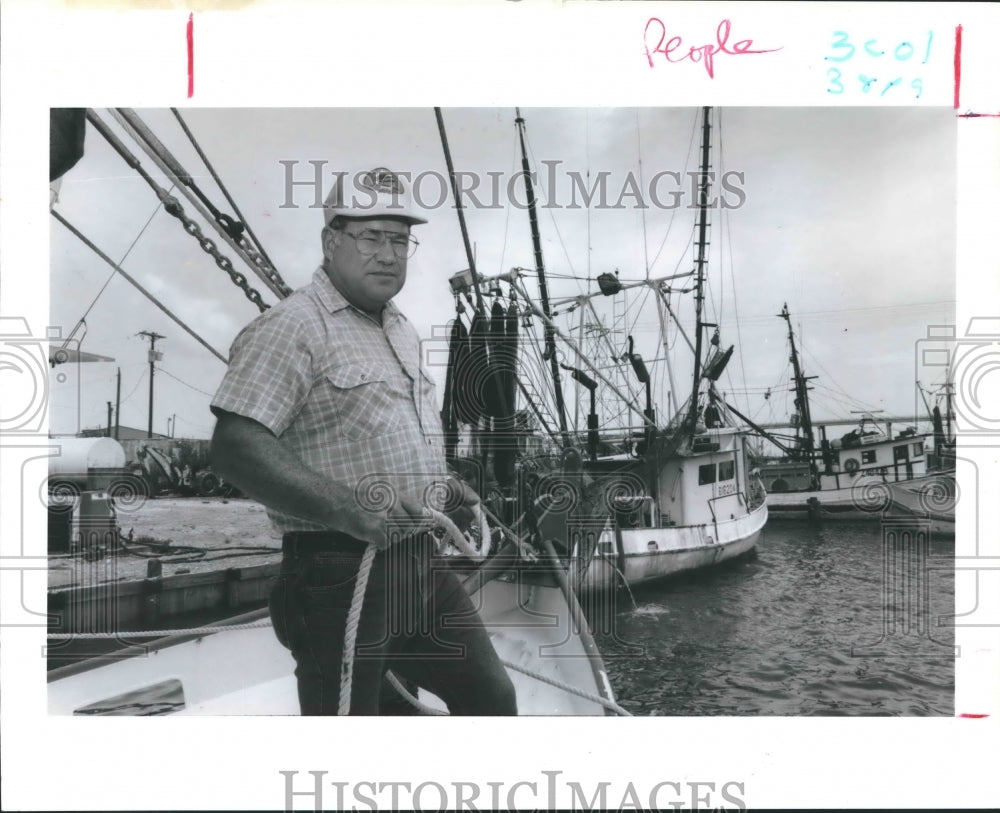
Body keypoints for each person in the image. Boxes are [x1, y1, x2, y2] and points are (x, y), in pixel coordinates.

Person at [210, 167, 517, 716]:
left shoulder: (401, 328)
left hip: (420, 563)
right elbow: (236, 446)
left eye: (399, 240)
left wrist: (445, 489)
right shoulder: (292, 326)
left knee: (491, 697)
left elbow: (385, 441)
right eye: (370, 237)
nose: (387, 254)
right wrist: (346, 508)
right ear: (331, 241)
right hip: (339, 572)